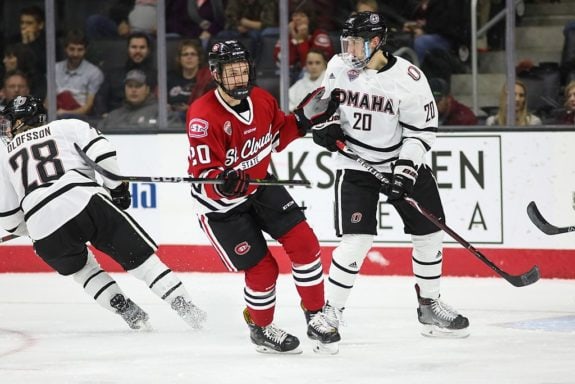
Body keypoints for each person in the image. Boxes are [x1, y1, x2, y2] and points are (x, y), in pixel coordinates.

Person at [311, 12, 470, 341]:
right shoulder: (339, 67)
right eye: (348, 42)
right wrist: (324, 127)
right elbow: (322, 108)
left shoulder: (409, 78)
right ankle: (330, 314)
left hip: (399, 161)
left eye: (357, 43)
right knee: (357, 241)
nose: (350, 49)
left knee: (429, 232)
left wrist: (405, 170)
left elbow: (422, 132)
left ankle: (429, 304)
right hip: (356, 165)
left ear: (377, 42)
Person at [186, 40, 341, 354]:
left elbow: (279, 134)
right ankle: (261, 329)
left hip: (260, 186)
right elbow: (204, 175)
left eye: (243, 70)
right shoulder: (203, 116)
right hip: (221, 205)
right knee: (263, 268)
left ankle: (315, 316)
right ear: (215, 74)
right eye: (231, 72)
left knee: (305, 244)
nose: (239, 78)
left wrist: (304, 118)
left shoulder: (262, 99)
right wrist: (223, 182)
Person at [0, 95, 206, 331]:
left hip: (43, 227)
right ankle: (187, 308)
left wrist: (37, 224)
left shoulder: (4, 156)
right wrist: (115, 188)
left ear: (18, 122)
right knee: (142, 262)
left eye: (10, 121)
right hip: (84, 200)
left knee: (84, 271)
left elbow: (8, 217)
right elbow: (103, 153)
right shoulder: (66, 126)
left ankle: (127, 311)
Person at [94, 32, 157, 115]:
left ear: (148, 51)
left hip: (145, 121)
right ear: (128, 49)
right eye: (134, 47)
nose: (138, 51)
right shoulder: (113, 75)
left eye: (142, 47)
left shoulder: (157, 76)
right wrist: (104, 115)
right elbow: (100, 98)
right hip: (115, 121)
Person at [273, 4, 334, 83]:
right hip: (292, 73)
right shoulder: (287, 36)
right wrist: (294, 39)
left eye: (302, 16)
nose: (297, 18)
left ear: (310, 19)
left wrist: (301, 41)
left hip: (319, 75)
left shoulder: (320, 36)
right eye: (295, 15)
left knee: (304, 73)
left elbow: (311, 63)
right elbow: (285, 61)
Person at [98, 69, 176, 131]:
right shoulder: (113, 116)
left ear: (147, 89)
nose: (133, 90)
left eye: (138, 86)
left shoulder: (162, 112)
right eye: (130, 86)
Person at [55, 30, 104, 118]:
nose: (75, 54)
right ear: (65, 49)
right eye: (72, 49)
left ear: (86, 50)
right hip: (54, 116)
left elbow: (88, 107)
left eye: (80, 50)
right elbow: (47, 102)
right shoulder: (55, 69)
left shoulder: (94, 72)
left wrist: (66, 113)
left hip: (80, 118)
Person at [167, 40, 215, 121]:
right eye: (185, 54)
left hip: (197, 119)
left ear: (199, 59)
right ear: (179, 59)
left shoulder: (207, 80)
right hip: (170, 118)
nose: (189, 57)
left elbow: (211, 106)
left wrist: (189, 109)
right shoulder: (170, 78)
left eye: (193, 54)